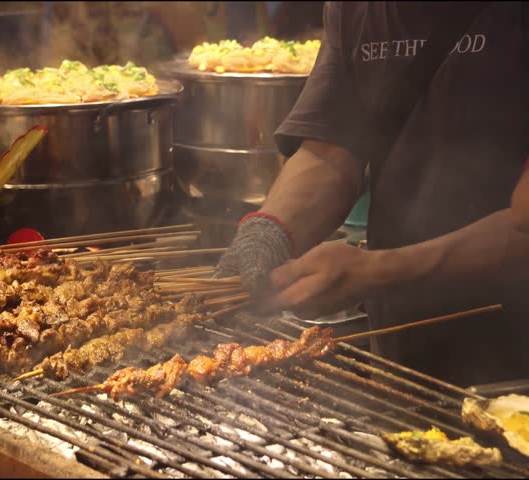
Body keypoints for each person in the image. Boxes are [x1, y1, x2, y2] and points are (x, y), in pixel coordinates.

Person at [216, 1, 528, 387]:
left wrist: (382, 270)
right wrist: (268, 233)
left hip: (515, 343)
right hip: (401, 336)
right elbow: (331, 147)